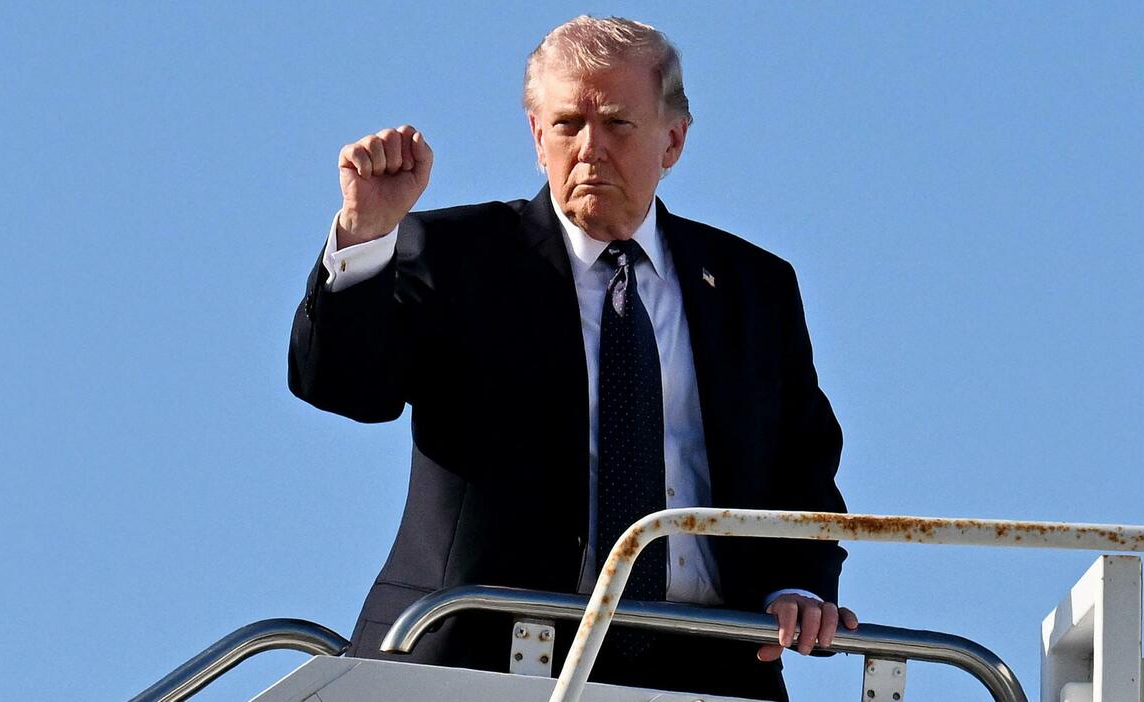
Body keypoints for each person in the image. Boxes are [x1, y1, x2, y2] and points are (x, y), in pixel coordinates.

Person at [288, 16, 856, 701]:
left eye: (616, 123)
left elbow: (800, 459)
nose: (590, 148)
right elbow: (346, 387)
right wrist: (365, 235)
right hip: (487, 659)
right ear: (537, 138)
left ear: (673, 139)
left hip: (710, 663)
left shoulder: (752, 285)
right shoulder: (458, 255)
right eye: (566, 125)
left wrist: (799, 584)